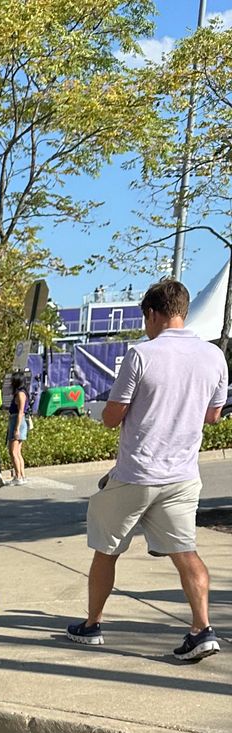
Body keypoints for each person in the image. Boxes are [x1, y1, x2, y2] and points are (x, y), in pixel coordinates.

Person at [66, 277, 226, 663]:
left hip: (137, 472)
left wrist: (106, 411)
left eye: (146, 319)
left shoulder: (142, 354)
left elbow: (112, 416)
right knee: (186, 552)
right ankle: (202, 629)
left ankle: (92, 625)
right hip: (183, 475)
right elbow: (214, 416)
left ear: (153, 314)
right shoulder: (214, 356)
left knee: (106, 550)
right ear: (183, 312)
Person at [6, 374, 29, 484]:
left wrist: (16, 429)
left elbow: (20, 412)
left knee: (13, 451)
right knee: (18, 452)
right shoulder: (21, 392)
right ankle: (22, 475)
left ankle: (18, 476)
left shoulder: (20, 394)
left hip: (17, 420)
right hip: (17, 420)